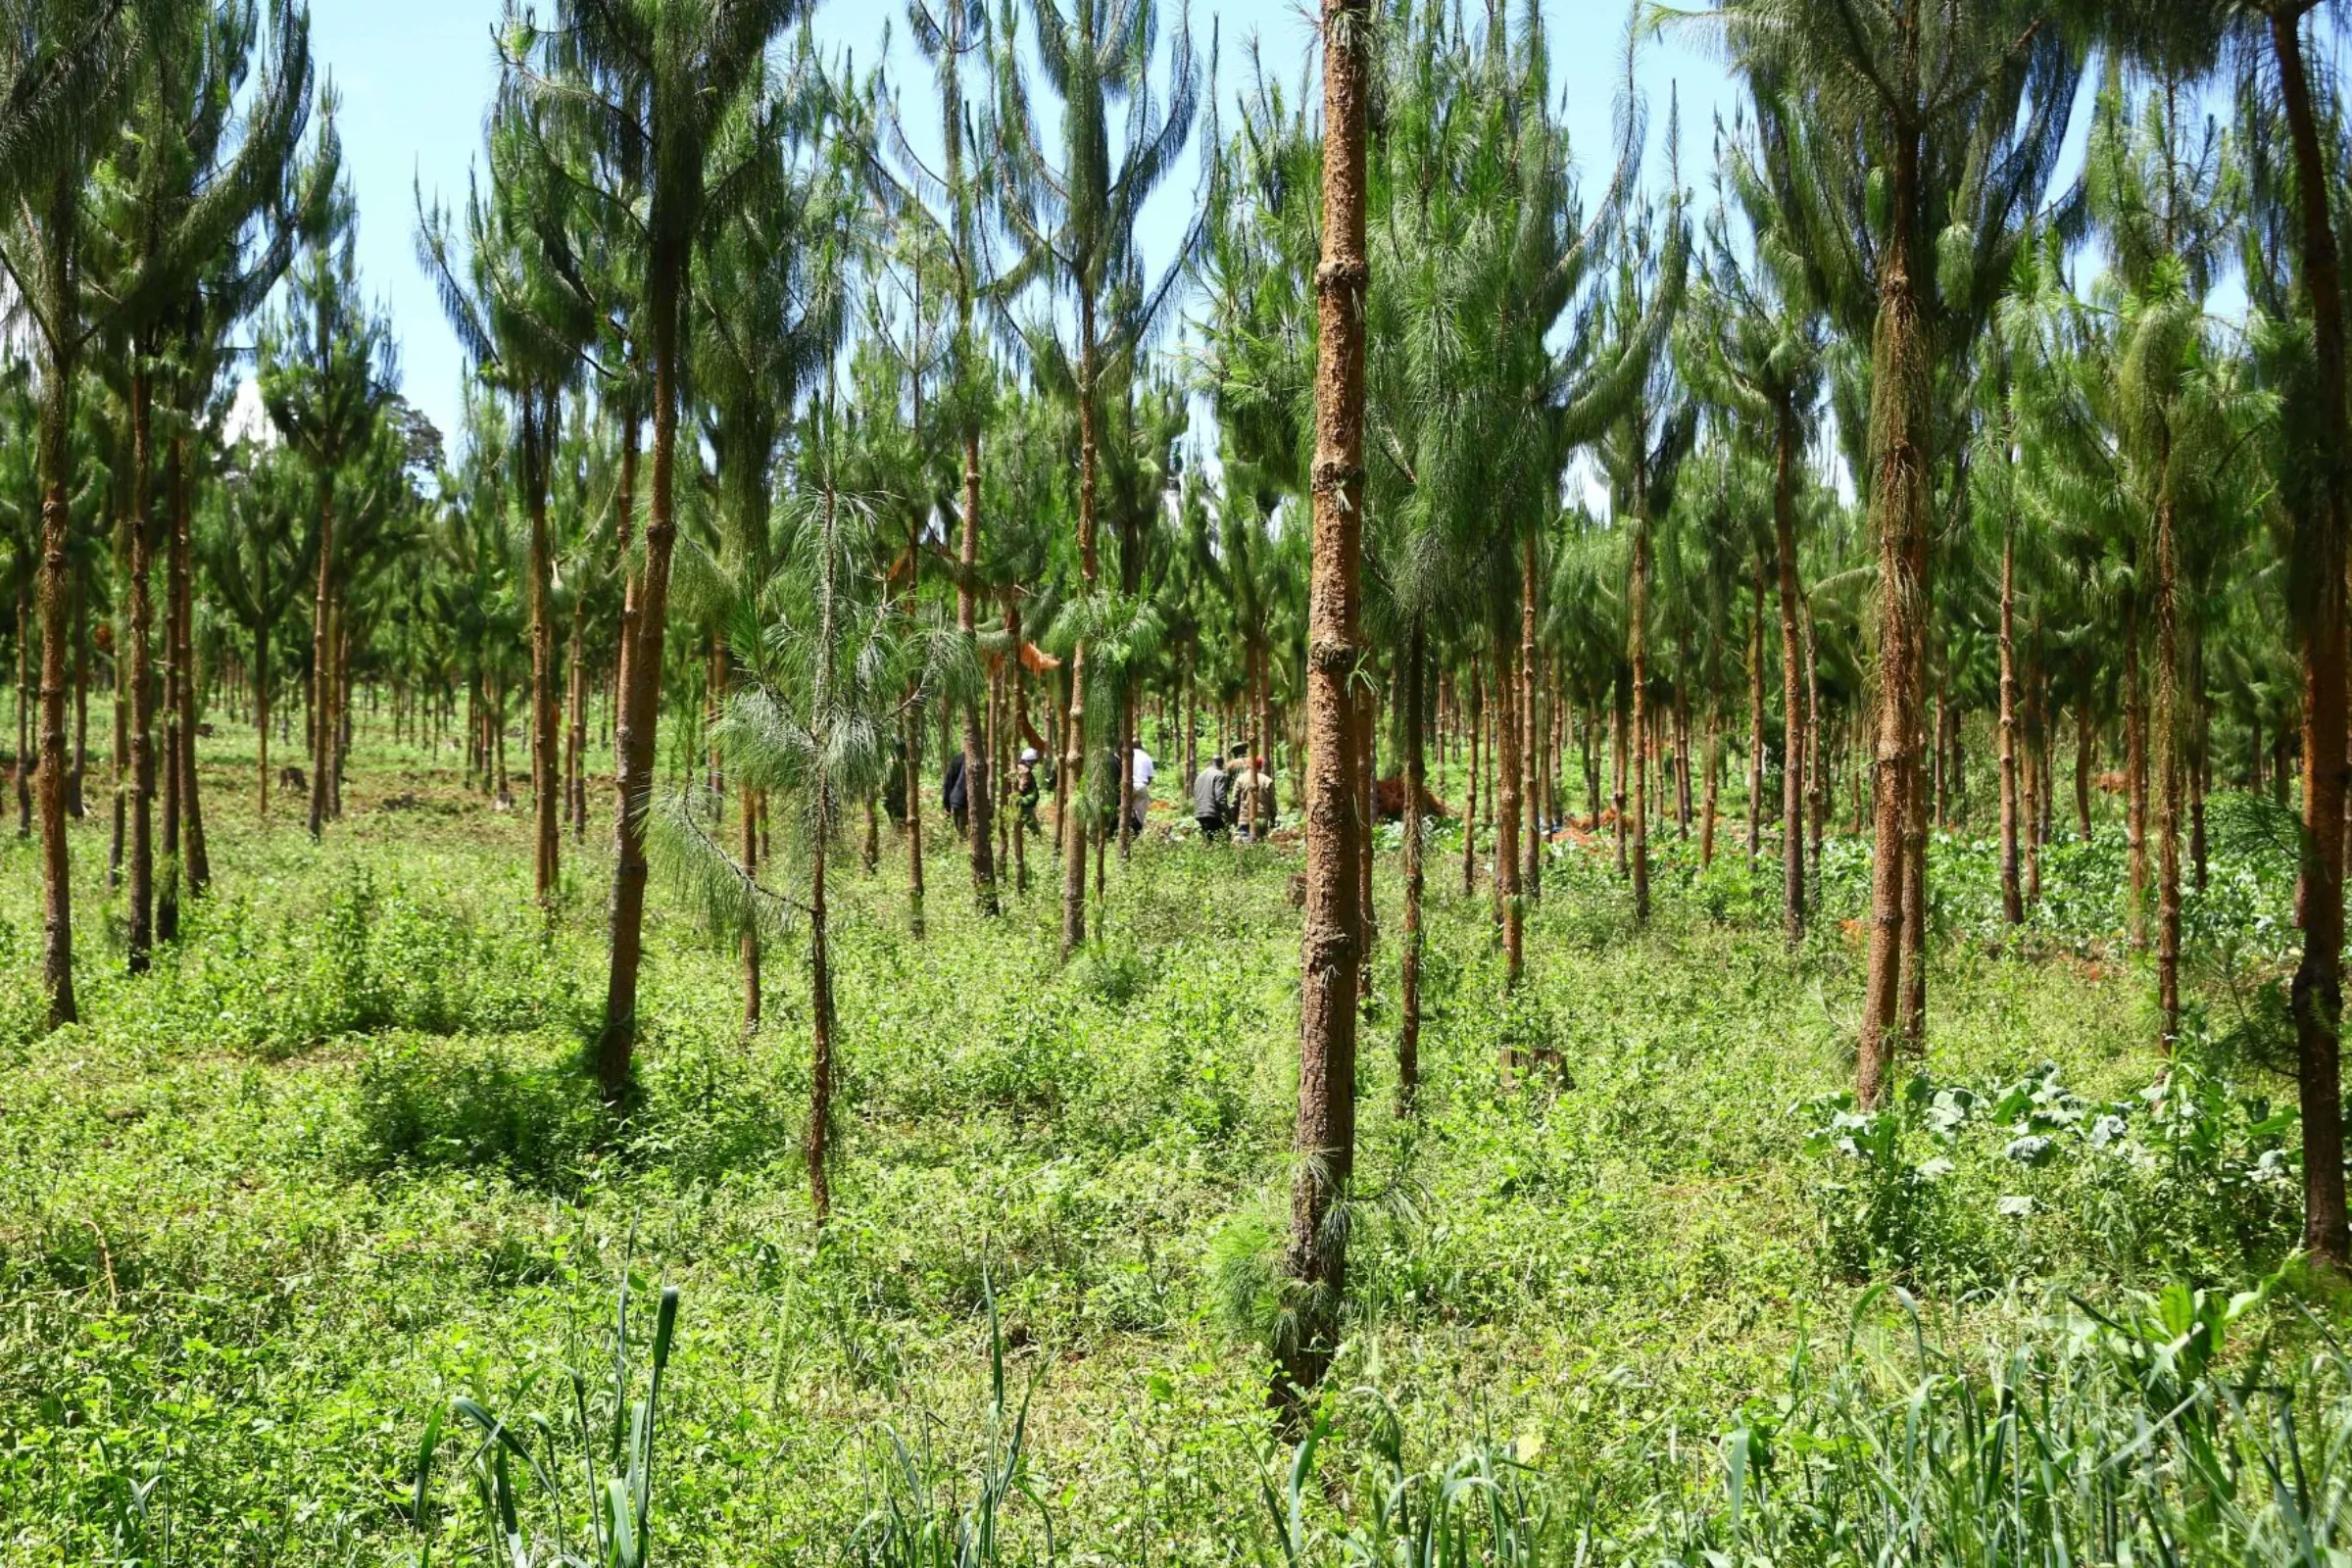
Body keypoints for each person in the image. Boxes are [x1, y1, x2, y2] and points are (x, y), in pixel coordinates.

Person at [1191, 750, 1230, 840]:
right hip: (1212, 813)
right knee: (1222, 839)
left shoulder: (1200, 775)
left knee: (1208, 839)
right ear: (1221, 764)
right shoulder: (1220, 775)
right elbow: (1220, 798)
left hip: (1199, 813)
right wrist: (1228, 813)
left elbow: (1195, 794)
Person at [1014, 747, 1042, 835]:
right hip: (1025, 804)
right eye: (1033, 761)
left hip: (1026, 803)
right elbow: (1022, 788)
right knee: (1034, 828)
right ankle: (1039, 840)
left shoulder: (1021, 768)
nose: (1034, 764)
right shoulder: (1025, 771)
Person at [1129, 744, 1156, 834]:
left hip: (1127, 786)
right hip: (1141, 785)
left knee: (1126, 810)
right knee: (1140, 813)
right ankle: (1137, 833)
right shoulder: (1146, 757)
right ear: (1141, 746)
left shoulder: (1126, 754)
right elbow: (1150, 777)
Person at [941, 750, 969, 836]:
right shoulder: (981, 760)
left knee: (962, 833)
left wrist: (947, 805)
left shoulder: (956, 760)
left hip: (959, 801)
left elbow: (948, 782)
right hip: (972, 802)